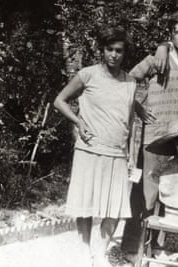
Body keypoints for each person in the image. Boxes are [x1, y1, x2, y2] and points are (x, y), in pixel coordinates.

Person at [53, 26, 136, 267]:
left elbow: (129, 120)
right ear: (102, 50)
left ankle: (101, 252)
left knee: (115, 208)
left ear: (124, 52)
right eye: (109, 49)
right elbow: (59, 100)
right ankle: (84, 250)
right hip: (89, 149)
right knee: (85, 204)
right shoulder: (88, 74)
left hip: (117, 152)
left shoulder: (130, 82)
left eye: (119, 50)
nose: (114, 55)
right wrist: (78, 121)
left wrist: (129, 153)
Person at [122, 10, 178, 264]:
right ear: (170, 34)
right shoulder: (156, 59)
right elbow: (127, 80)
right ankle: (133, 249)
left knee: (171, 197)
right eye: (177, 32)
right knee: (146, 195)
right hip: (154, 137)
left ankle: (158, 248)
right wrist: (139, 107)